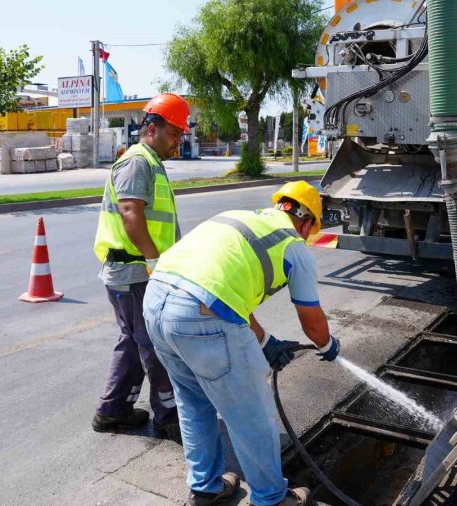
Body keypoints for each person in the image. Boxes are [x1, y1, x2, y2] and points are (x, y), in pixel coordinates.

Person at [143, 181, 341, 506]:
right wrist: (328, 345)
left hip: (157, 301)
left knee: (194, 402)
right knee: (252, 413)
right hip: (199, 313)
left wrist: (265, 342)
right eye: (311, 230)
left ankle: (205, 488)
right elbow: (313, 322)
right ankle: (271, 499)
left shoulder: (239, 218)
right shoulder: (293, 245)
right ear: (306, 222)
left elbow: (227, 293)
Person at [92, 93, 191, 440]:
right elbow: (131, 215)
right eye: (175, 133)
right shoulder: (138, 162)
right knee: (155, 345)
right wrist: (154, 262)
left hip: (134, 271)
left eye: (181, 134)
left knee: (134, 342)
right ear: (152, 128)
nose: (179, 141)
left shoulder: (150, 161)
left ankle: (113, 409)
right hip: (136, 271)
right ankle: (168, 416)